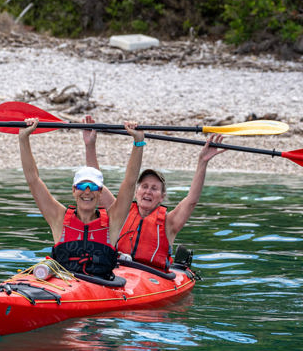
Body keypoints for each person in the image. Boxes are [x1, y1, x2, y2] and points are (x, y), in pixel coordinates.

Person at [82, 117, 224, 271]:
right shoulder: (119, 212)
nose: (148, 191)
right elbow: (97, 183)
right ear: (136, 192)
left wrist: (202, 161)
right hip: (118, 272)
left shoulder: (169, 223)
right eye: (144, 186)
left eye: (154, 188)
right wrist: (90, 145)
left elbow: (191, 201)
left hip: (152, 279)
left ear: (162, 197)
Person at [18, 117, 145, 277]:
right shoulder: (58, 217)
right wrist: (23, 139)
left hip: (100, 290)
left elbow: (130, 182)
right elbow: (33, 180)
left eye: (92, 187)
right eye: (81, 186)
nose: (87, 191)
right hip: (63, 288)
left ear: (99, 193)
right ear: (74, 190)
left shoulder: (113, 220)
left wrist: (138, 142)